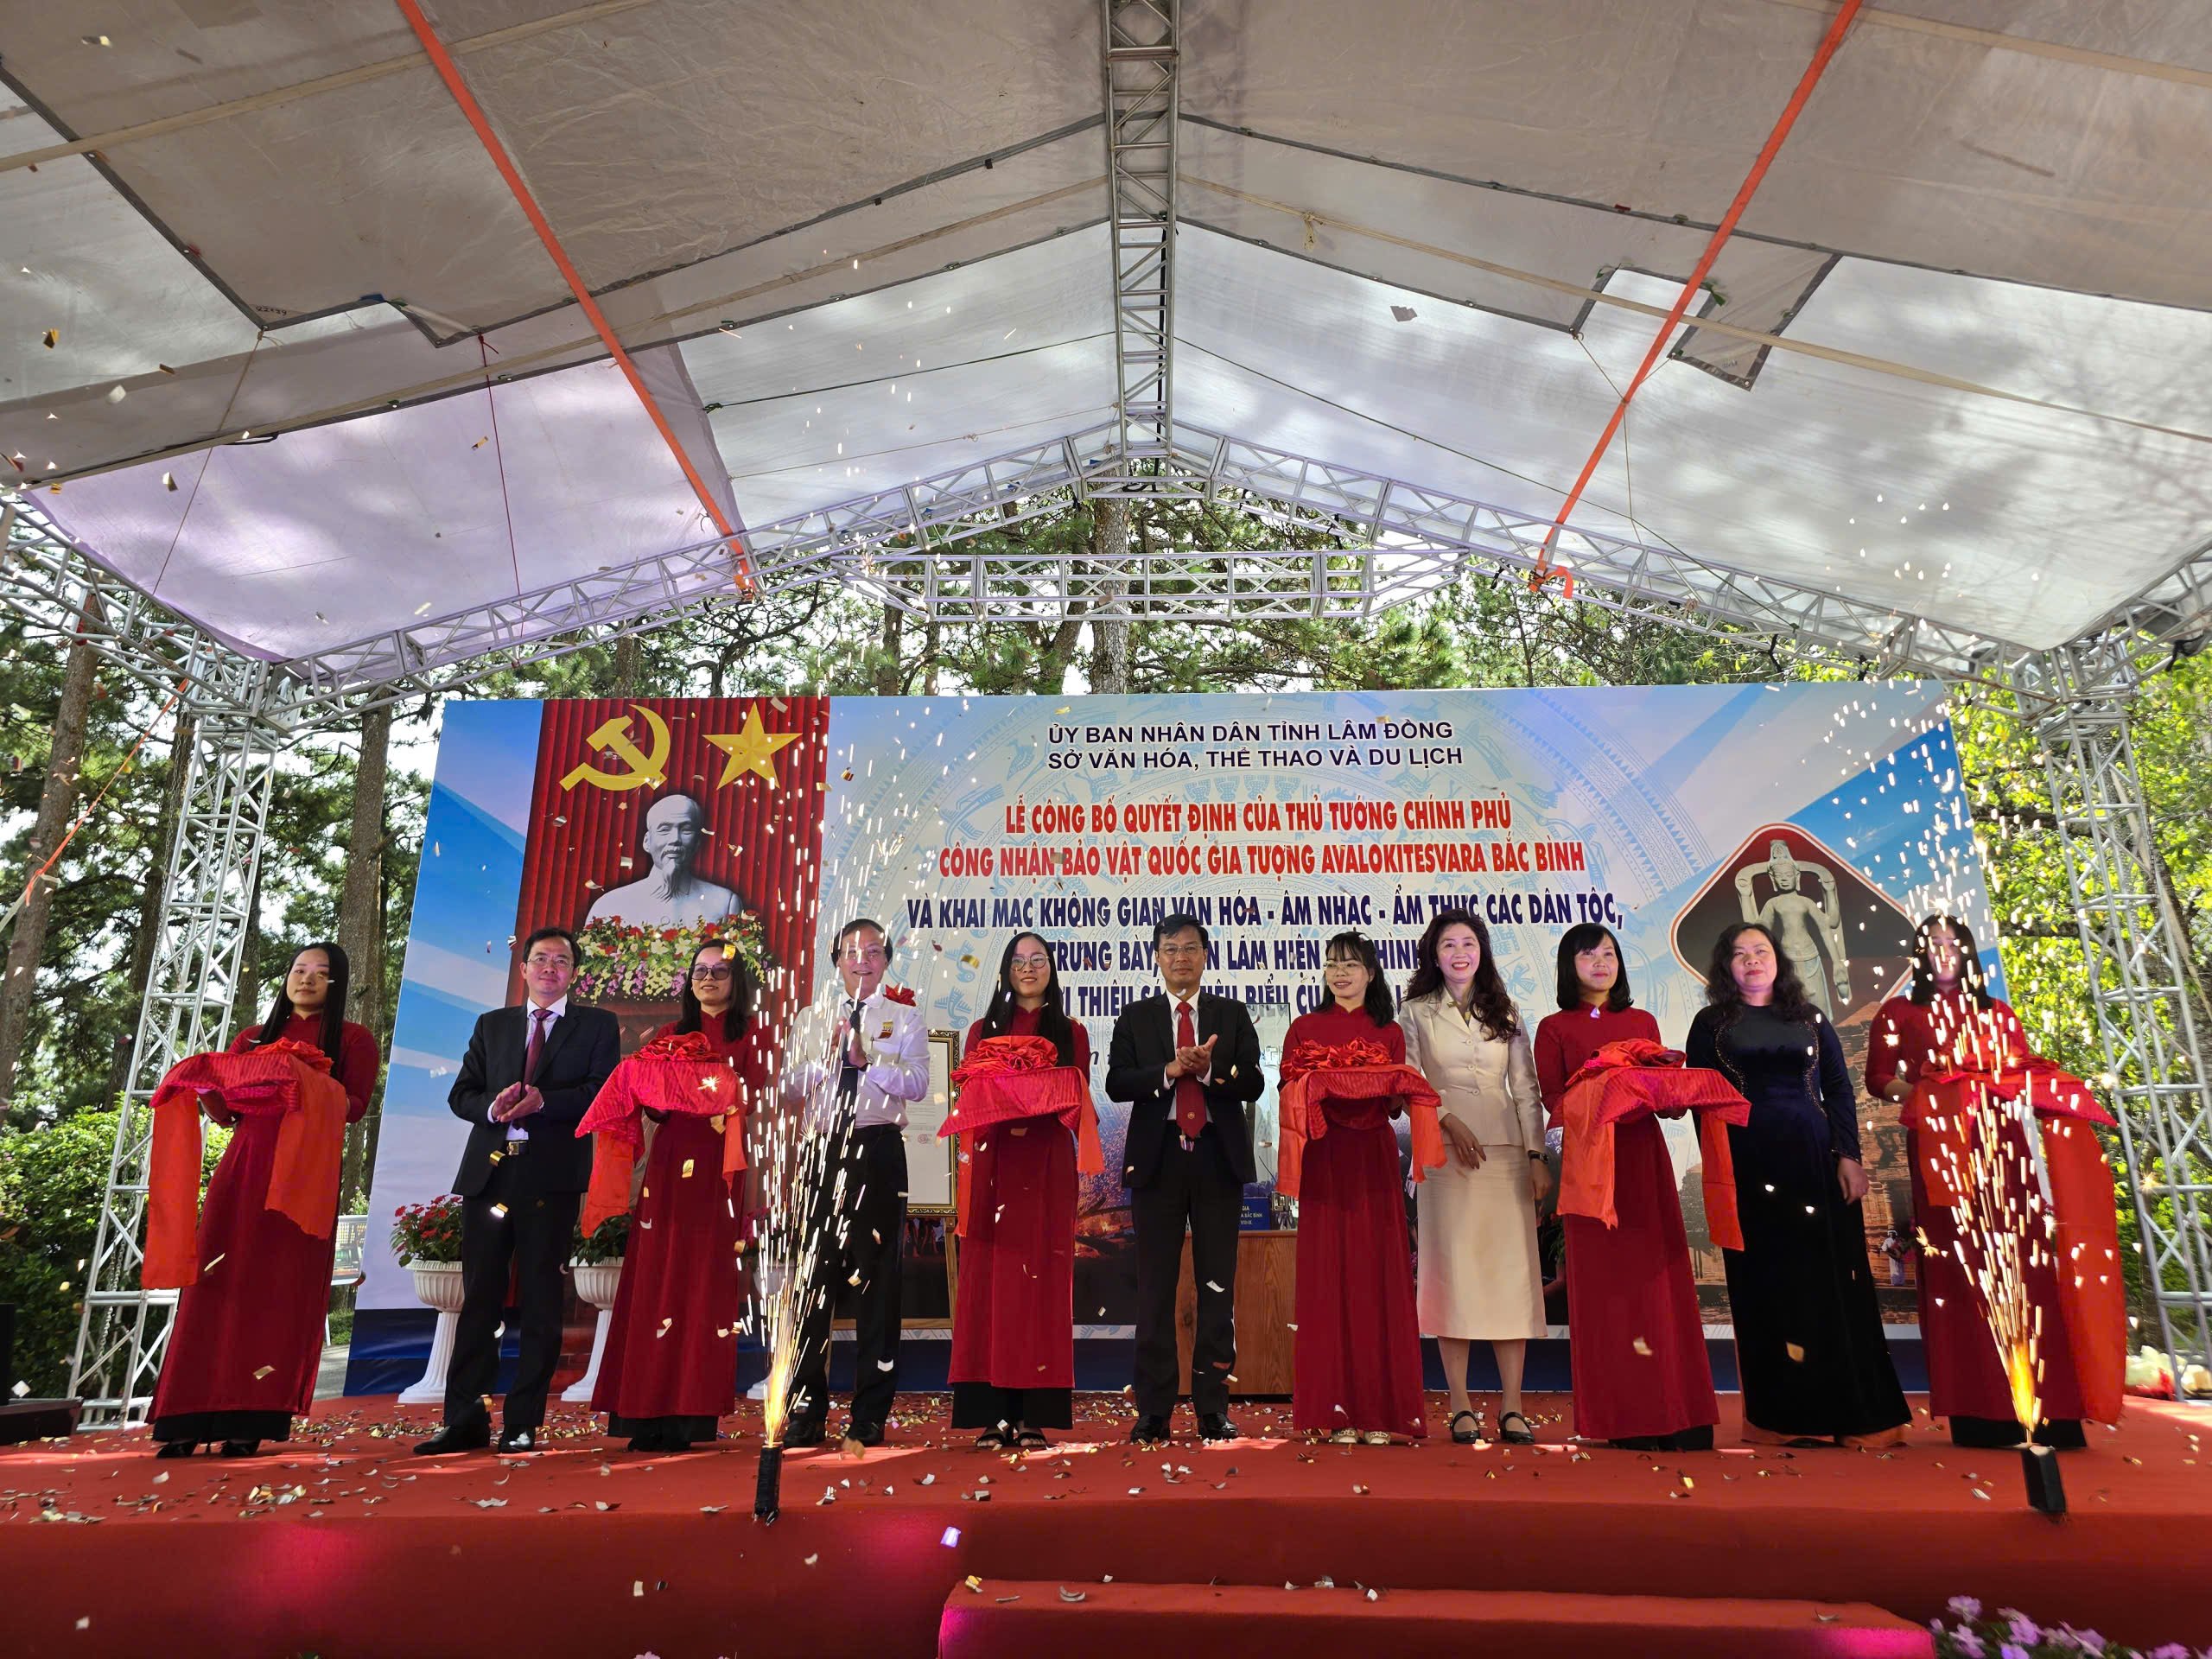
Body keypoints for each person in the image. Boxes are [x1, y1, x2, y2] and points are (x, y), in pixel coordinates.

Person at [1867, 914, 2091, 1449]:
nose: (1945, 952)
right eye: (1934, 945)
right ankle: (1979, 1407)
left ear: (1969, 953)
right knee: (1960, 1275)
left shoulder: (1998, 1012)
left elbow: (2021, 1073)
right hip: (1943, 1152)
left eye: (1955, 944)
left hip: (2004, 1151)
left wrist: (1998, 1084)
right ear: (1919, 954)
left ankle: (2050, 1408)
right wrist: (1926, 1090)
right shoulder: (1898, 1011)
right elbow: (1879, 1078)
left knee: (2025, 1270)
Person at [149, 944, 379, 1458]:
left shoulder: (353, 1039)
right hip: (244, 1168)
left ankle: (249, 1414)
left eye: (321, 973)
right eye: (299, 969)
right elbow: (226, 1116)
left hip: (305, 1175)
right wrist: (207, 1086)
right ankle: (184, 1415)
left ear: (337, 984)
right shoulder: (252, 1037)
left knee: (276, 1288)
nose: (307, 979)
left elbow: (355, 1107)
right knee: (215, 1282)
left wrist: (304, 1080)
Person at [1686, 922, 1908, 1448]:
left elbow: (1838, 1089)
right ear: (1726, 967)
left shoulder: (1809, 1018)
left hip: (1815, 1164)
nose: (1752, 961)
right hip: (1747, 1167)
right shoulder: (1711, 1023)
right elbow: (1701, 1101)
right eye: (1739, 954)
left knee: (1831, 1283)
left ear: (1778, 960)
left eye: (1760, 951)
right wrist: (1721, 1171)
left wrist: (1848, 1156)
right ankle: (1777, 1419)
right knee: (1766, 1287)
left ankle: (1855, 1417)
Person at [416, 927, 621, 1456]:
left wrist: (542, 1103)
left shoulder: (597, 1025)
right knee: (479, 1299)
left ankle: (522, 1422)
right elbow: (462, 1093)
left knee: (540, 1304)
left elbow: (602, 1092)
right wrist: (493, 1106)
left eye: (561, 961)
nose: (550, 968)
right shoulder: (494, 1025)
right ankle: (463, 1420)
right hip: (489, 1177)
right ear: (524, 969)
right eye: (540, 959)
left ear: (573, 972)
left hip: (548, 1180)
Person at [1533, 922, 1718, 1452]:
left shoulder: (1641, 1020)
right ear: (1570, 966)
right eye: (1588, 954)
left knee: (1657, 1282)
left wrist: (1670, 1094)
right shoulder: (1554, 1027)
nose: (1600, 962)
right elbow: (1554, 1102)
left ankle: (1677, 1411)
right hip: (1592, 1164)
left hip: (1643, 1158)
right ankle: (1622, 1416)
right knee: (1606, 1291)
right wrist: (1603, 1089)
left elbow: (1659, 1086)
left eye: (1609, 953)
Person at [591, 939, 765, 1452]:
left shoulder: (753, 1036)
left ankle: (692, 1412)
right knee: (657, 1280)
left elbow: (750, 1096)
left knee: (703, 1284)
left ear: (737, 982)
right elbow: (654, 1104)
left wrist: (707, 1090)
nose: (708, 978)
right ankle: (644, 1411)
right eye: (700, 971)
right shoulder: (670, 1034)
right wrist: (668, 1093)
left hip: (720, 1172)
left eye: (720, 971)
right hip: (669, 1169)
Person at [1105, 912, 1263, 1444]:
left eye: (1190, 948)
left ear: (1204, 956)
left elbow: (1256, 1083)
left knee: (1216, 1289)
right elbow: (1116, 1083)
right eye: (1170, 948)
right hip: (1159, 1164)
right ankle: (1153, 1411)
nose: (1180, 957)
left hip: (1218, 1160)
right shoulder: (1136, 1017)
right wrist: (1170, 1071)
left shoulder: (1232, 1014)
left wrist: (1210, 1072)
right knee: (1155, 1290)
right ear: (1156, 957)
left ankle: (1212, 1409)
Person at [1402, 909, 1550, 1446]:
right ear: (1433, 954)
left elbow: (1526, 1088)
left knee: (1510, 1279)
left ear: (1482, 951)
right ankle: (1460, 1405)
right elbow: (1410, 1079)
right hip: (1444, 1157)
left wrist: (1536, 1156)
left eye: (1468, 943)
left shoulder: (1505, 1010)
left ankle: (1513, 1407)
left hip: (1506, 1154)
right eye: (1448, 945)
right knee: (1452, 1275)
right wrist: (1444, 1119)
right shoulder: (1414, 1011)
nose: (1459, 952)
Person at [779, 918, 929, 1448]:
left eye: (871, 952)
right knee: (812, 1284)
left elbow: (918, 1083)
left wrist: (870, 1060)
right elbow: (788, 1086)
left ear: (885, 960)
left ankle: (869, 1413)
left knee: (879, 1288)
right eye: (850, 952)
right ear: (837, 961)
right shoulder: (812, 1017)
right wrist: (826, 1060)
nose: (861, 960)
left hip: (879, 1152)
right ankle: (806, 1408)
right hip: (823, 1152)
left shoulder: (905, 1018)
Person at [1280, 931, 1427, 1445]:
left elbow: (1393, 1103)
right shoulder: (1303, 1028)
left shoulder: (1388, 1031)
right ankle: (1335, 1412)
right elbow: (1291, 1094)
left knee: (1376, 1275)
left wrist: (1375, 1083)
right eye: (1332, 964)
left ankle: (1381, 1412)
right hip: (1325, 1157)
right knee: (1329, 1278)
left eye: (1352, 964)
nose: (1340, 972)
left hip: (1373, 1157)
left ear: (1370, 972)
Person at [951, 933, 1093, 1450]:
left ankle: (1034, 1414)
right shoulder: (980, 1030)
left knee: (1041, 1286)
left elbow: (1075, 1099)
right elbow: (969, 1095)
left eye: (1038, 960)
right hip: (993, 1169)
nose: (1028, 969)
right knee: (991, 1287)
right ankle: (994, 1415)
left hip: (1047, 1167)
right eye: (1018, 961)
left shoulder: (1070, 1031)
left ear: (1052, 969)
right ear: (1005, 970)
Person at [583, 792, 745, 928]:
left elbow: (732, 958)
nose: (675, 839)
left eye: (686, 830)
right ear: (647, 841)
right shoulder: (609, 905)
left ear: (697, 843)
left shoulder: (724, 903)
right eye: (665, 829)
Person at [1733, 840, 1851, 1017]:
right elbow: (1756, 929)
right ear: (1773, 879)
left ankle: (1823, 1037)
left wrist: (1830, 892)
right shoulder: (1773, 903)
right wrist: (1745, 894)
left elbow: (1829, 925)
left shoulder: (1806, 902)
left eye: (1788, 875)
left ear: (1797, 877)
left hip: (1811, 956)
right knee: (1793, 1007)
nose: (1784, 879)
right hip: (1788, 959)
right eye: (1779, 876)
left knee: (1820, 1009)